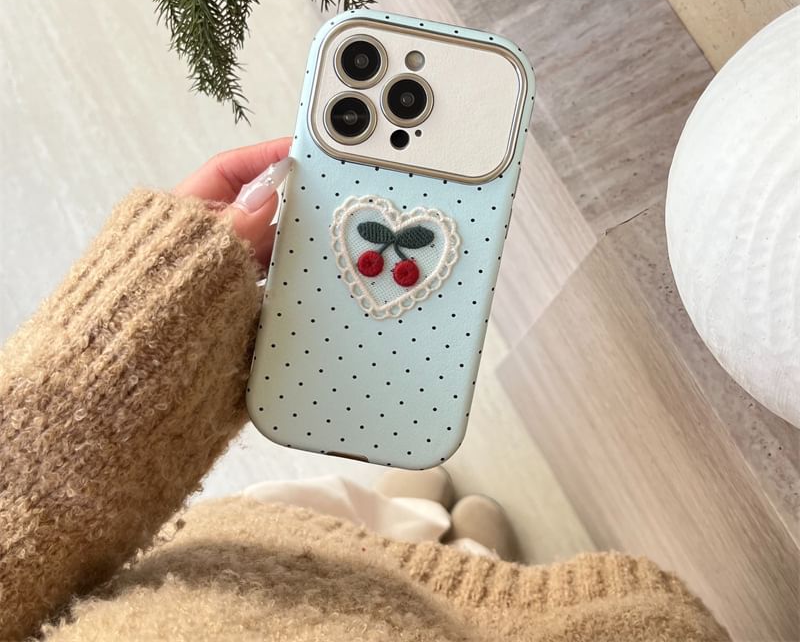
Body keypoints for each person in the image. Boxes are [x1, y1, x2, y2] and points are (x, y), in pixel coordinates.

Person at [0, 139, 729, 641]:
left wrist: (112, 363)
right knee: (417, 575)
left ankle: (418, 532)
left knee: (340, 531)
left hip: (241, 579)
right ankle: (460, 559)